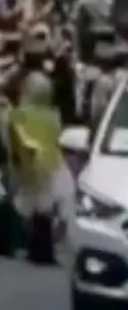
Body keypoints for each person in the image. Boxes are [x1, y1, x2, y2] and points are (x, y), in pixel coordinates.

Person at [6, 72, 71, 264]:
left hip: (28, 164)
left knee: (27, 205)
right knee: (45, 208)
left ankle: (27, 246)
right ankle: (43, 249)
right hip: (51, 163)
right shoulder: (53, 116)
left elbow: (13, 138)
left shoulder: (18, 114)